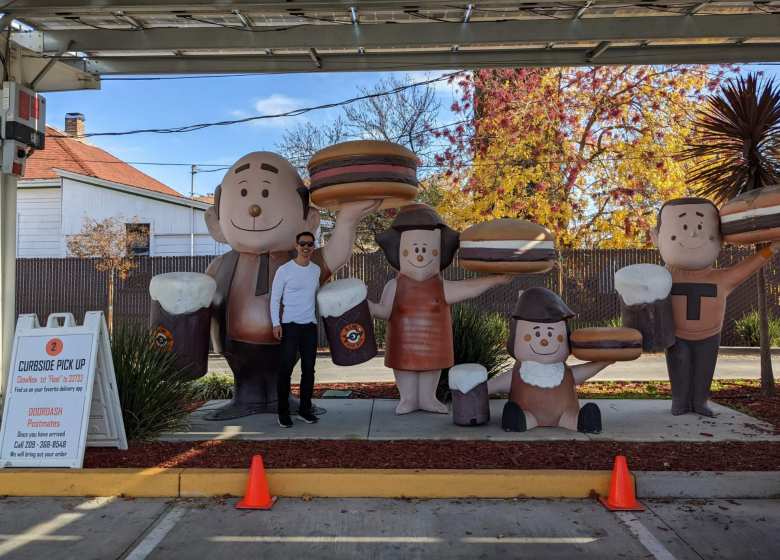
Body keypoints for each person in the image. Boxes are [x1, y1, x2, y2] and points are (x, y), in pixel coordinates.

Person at [651, 197, 780, 417]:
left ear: (720, 239)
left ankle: (700, 401)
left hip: (710, 334)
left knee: (704, 369)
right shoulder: (663, 276)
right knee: (678, 367)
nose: (692, 235)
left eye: (702, 228)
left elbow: (748, 266)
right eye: (681, 229)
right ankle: (679, 401)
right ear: (656, 238)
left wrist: (770, 250)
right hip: (676, 334)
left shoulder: (722, 278)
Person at [270, 231, 322, 428]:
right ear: (296, 245)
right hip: (289, 326)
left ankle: (304, 410)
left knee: (309, 370)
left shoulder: (315, 270)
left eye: (310, 244)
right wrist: (276, 323)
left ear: (313, 247)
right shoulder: (284, 270)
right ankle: (283, 413)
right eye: (302, 244)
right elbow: (275, 299)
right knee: (285, 370)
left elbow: (317, 294)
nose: (306, 247)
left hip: (309, 326)